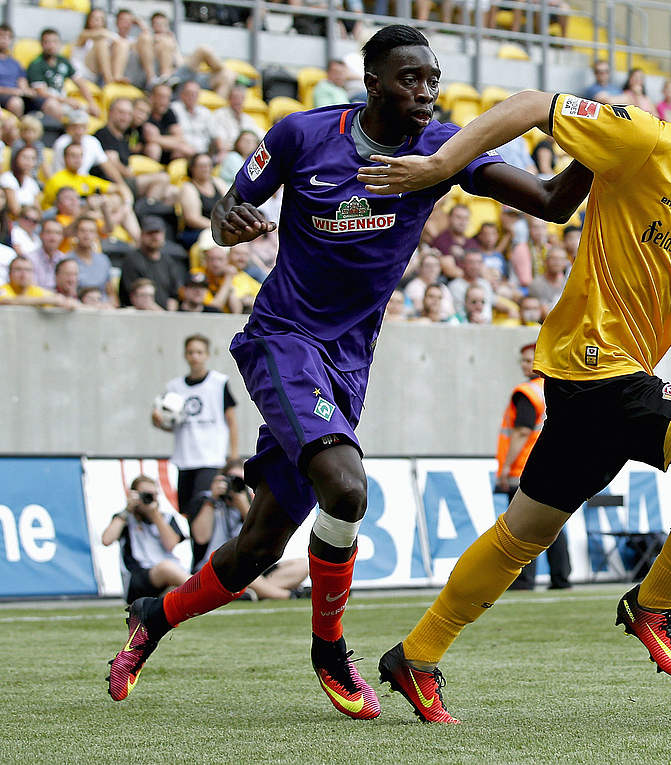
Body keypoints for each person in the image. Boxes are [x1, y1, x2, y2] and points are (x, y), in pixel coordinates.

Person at [359, 33, 671, 720]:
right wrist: (440, 165)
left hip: (600, 382)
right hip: (597, 366)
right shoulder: (644, 141)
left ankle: (416, 654)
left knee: (522, 535)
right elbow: (533, 104)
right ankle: (656, 602)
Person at [106, 25, 592, 721]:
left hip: (348, 361)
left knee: (257, 547)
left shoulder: (441, 149)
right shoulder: (302, 134)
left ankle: (153, 616)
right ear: (372, 83)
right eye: (409, 79)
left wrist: (603, 148)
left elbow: (552, 201)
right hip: (283, 339)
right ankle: (330, 649)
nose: (425, 92)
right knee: (346, 485)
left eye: (432, 79)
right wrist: (230, 220)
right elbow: (224, 212)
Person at [498, 342, 570, 591]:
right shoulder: (559, 387)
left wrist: (505, 467)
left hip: (525, 468)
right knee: (553, 524)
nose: (525, 365)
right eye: (523, 360)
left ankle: (523, 579)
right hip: (555, 465)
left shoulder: (527, 392)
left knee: (520, 526)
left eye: (530, 360)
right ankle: (561, 578)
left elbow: (521, 432)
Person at [190, 460, 308, 599]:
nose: (234, 485)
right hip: (217, 565)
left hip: (250, 567)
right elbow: (201, 537)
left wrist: (243, 506)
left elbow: (263, 538)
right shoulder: (206, 500)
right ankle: (288, 595)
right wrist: (211, 501)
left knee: (302, 566)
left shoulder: (251, 503)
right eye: (231, 480)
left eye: (241, 481)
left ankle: (251, 593)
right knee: (245, 575)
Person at [153, 334, 239, 518]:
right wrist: (158, 421)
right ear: (185, 355)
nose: (195, 357)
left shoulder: (218, 383)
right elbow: (171, 425)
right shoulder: (174, 387)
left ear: (207, 355)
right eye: (191, 352)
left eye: (199, 352)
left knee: (204, 509)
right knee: (187, 512)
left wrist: (233, 455)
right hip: (185, 459)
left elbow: (231, 421)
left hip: (210, 458)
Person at [100, 476, 190, 604]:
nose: (149, 498)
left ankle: (187, 590)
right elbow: (106, 540)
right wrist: (127, 510)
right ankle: (201, 589)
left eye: (153, 495)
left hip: (167, 573)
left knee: (169, 569)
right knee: (166, 567)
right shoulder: (125, 519)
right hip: (137, 577)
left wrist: (155, 515)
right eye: (145, 495)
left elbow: (170, 544)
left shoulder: (166, 518)